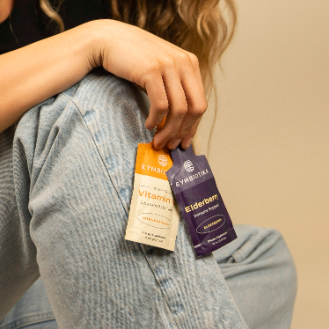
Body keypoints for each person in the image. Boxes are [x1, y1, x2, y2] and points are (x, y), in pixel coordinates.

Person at [0, 0, 297, 328]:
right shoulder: (102, 34)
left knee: (262, 256)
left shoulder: (128, 6)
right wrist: (97, 39)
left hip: (27, 287)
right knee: (91, 102)